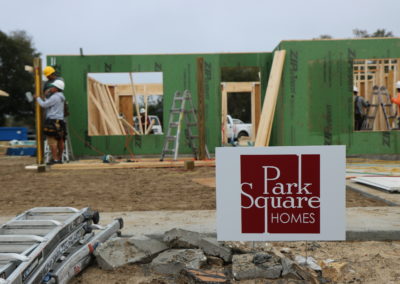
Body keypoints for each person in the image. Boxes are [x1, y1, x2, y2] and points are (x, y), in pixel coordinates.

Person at [36, 79, 67, 164]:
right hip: (60, 121)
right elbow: (50, 103)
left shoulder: (55, 97)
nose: (51, 88)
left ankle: (55, 159)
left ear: (56, 88)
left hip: (52, 121)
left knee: (52, 142)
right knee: (60, 140)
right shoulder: (61, 96)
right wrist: (45, 97)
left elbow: (44, 105)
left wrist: (37, 98)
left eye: (53, 87)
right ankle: (59, 159)